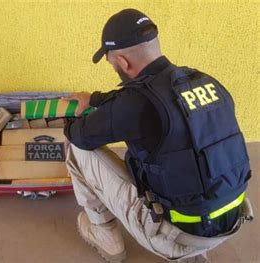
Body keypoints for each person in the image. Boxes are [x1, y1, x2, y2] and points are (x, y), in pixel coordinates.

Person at [63, 9, 253, 263]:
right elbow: (140, 99)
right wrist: (96, 99)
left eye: (111, 62)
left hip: (174, 236)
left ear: (123, 62)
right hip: (230, 219)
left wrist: (71, 118)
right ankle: (194, 252)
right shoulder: (205, 81)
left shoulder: (135, 104)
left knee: (78, 150)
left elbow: (81, 135)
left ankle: (104, 235)